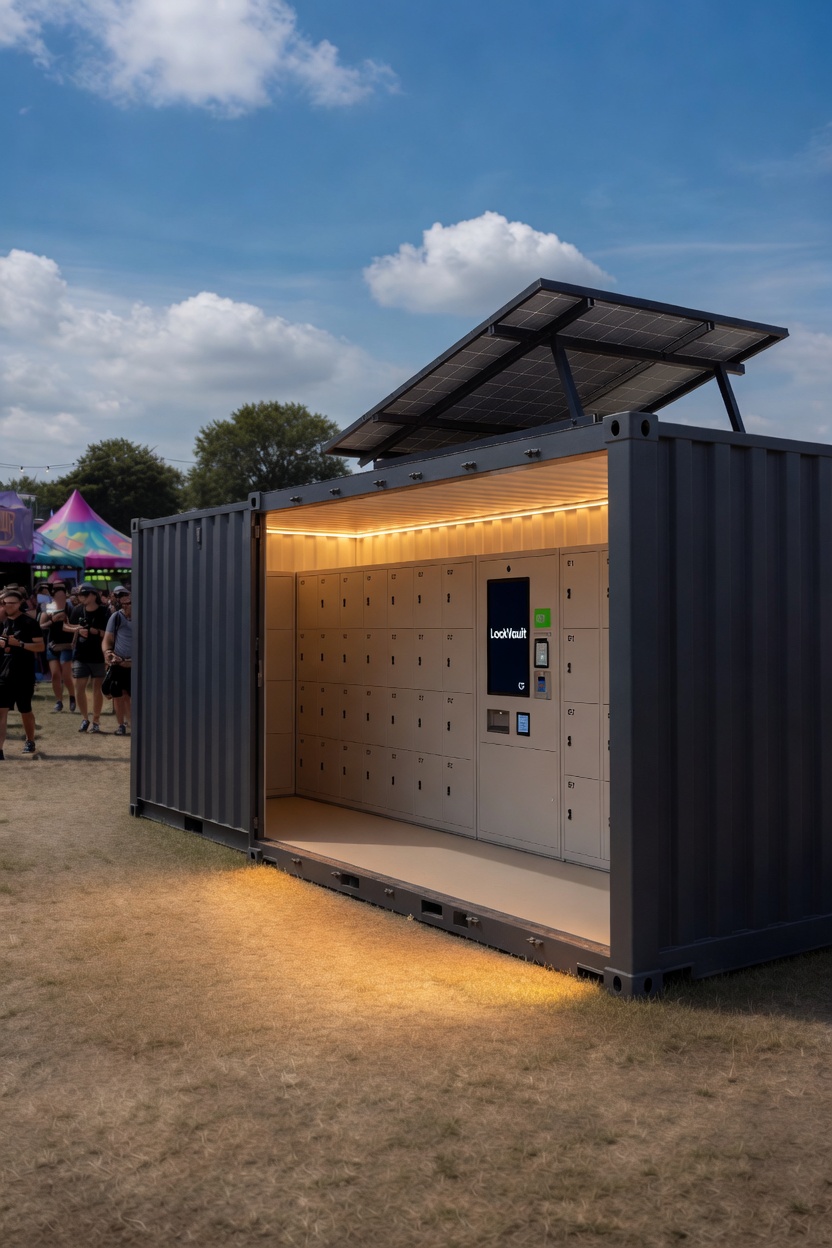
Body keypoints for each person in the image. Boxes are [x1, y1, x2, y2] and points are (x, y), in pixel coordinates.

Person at [0, 586, 45, 758]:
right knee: (1, 711)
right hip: (3, 673)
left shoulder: (29, 623)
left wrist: (20, 644)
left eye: (12, 603)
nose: (8, 606)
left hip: (23, 674)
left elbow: (40, 646)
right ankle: (0, 750)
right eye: (5, 602)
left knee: (24, 710)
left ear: (20, 603)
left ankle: (30, 740)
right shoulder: (2, 622)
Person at [67, 583, 110, 733]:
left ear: (93, 595)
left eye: (83, 595)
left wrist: (95, 631)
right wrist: (78, 629)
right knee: (79, 688)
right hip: (81, 654)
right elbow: (66, 626)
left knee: (97, 689)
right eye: (78, 595)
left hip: (99, 655)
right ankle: (85, 719)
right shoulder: (78, 609)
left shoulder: (105, 611)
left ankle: (96, 720)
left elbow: (109, 635)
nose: (80, 598)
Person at [39, 583, 77, 713]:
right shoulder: (47, 607)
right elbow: (41, 625)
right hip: (53, 645)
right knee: (55, 675)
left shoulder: (70, 607)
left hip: (66, 645)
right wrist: (53, 621)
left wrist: (67, 623)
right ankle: (59, 700)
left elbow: (76, 625)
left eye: (61, 591)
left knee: (66, 675)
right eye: (56, 591)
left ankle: (72, 697)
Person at [103, 591, 132, 734]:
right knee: (118, 695)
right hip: (119, 663)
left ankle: (134, 723)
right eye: (123, 603)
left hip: (136, 665)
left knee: (132, 696)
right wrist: (108, 653)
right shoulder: (116, 617)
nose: (125, 606)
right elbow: (107, 640)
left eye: (129, 603)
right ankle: (121, 725)